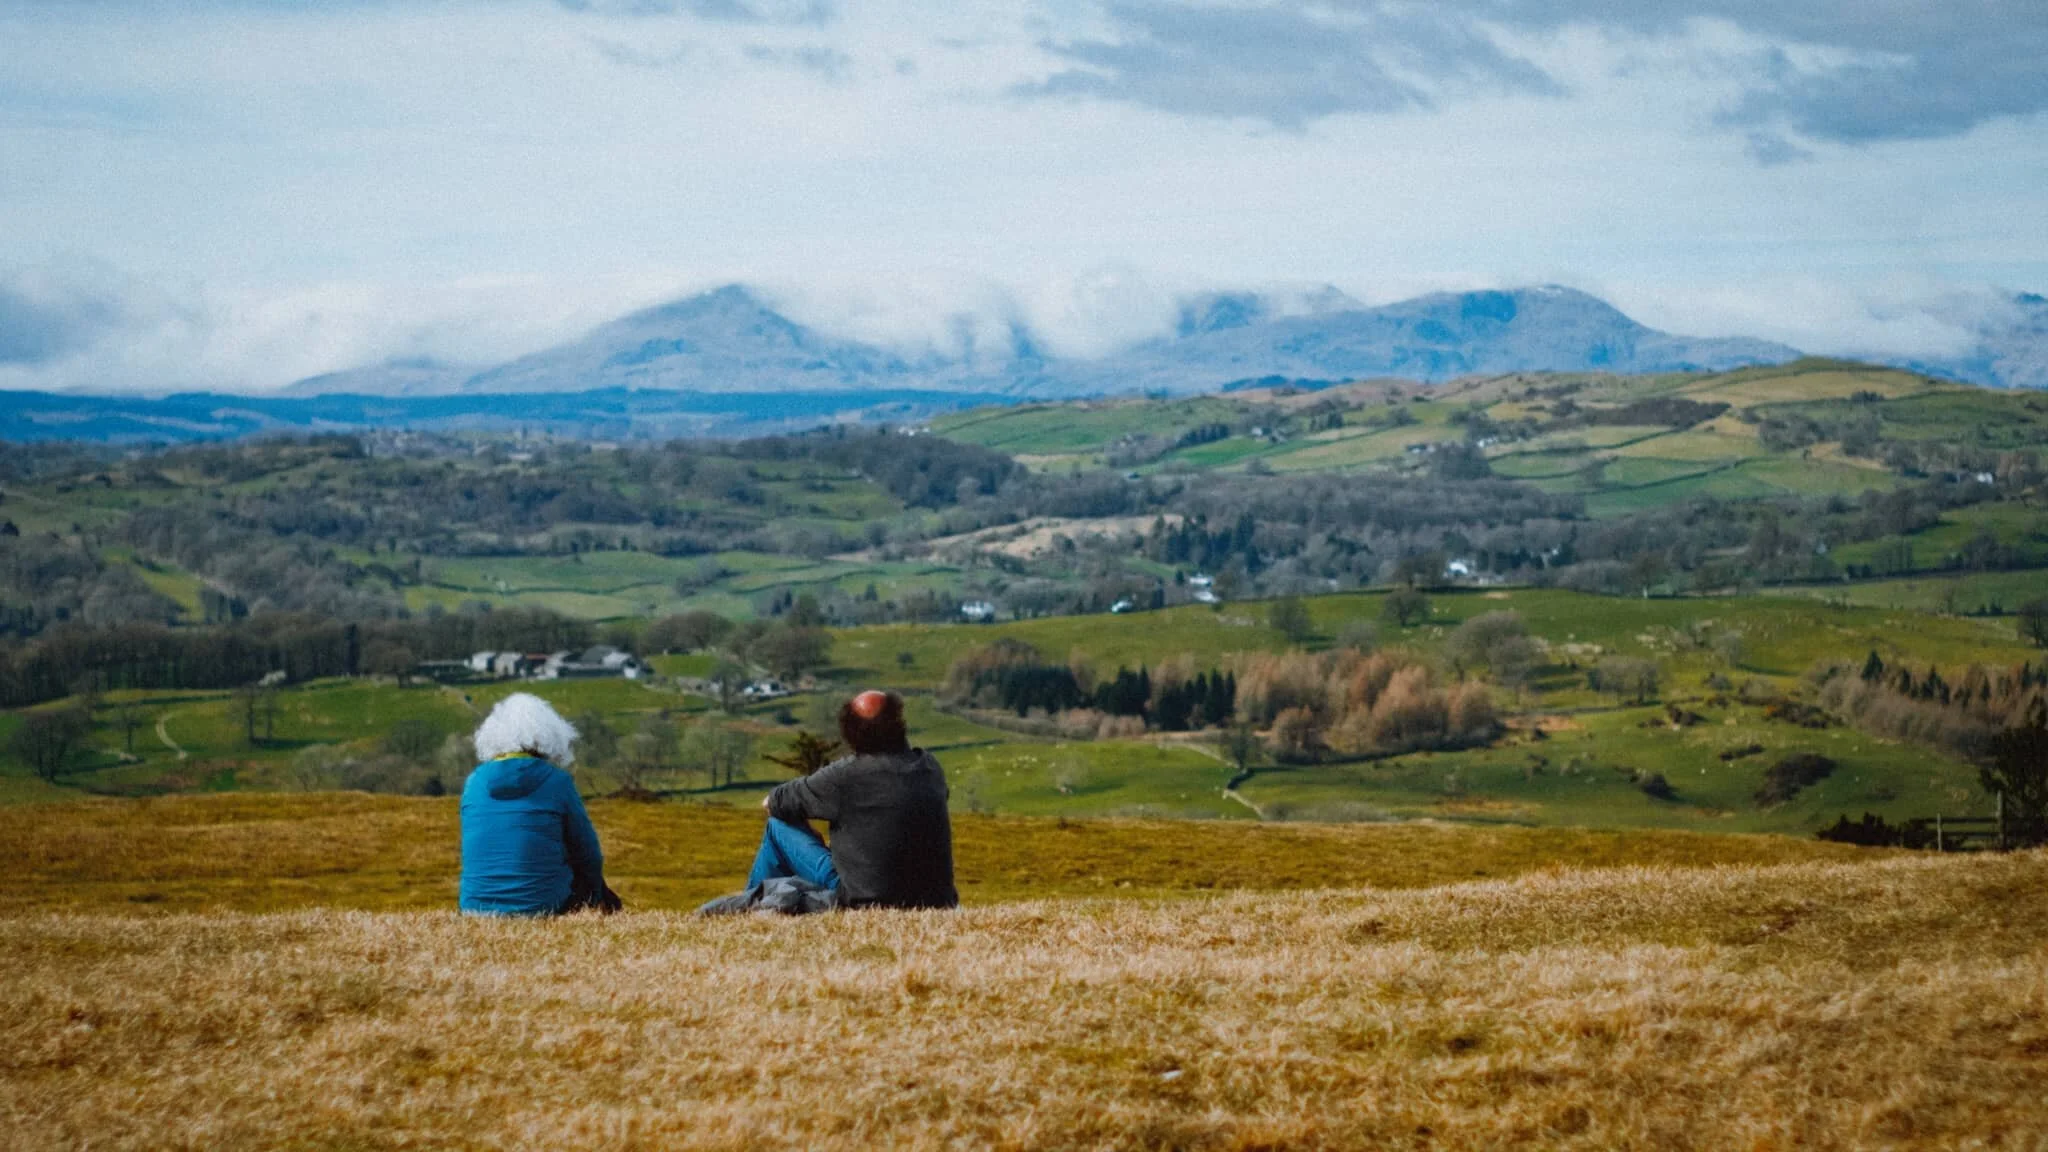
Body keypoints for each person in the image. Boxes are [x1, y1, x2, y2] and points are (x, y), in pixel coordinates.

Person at [702, 689, 957, 914]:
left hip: (864, 898)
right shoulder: (929, 767)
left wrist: (810, 825)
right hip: (937, 900)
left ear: (851, 731)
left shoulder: (846, 776)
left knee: (778, 827)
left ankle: (752, 907)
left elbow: (774, 802)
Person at [459, 692, 621, 916]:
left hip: (474, 908)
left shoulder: (473, 782)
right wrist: (597, 893)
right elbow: (587, 853)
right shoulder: (557, 781)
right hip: (542, 906)